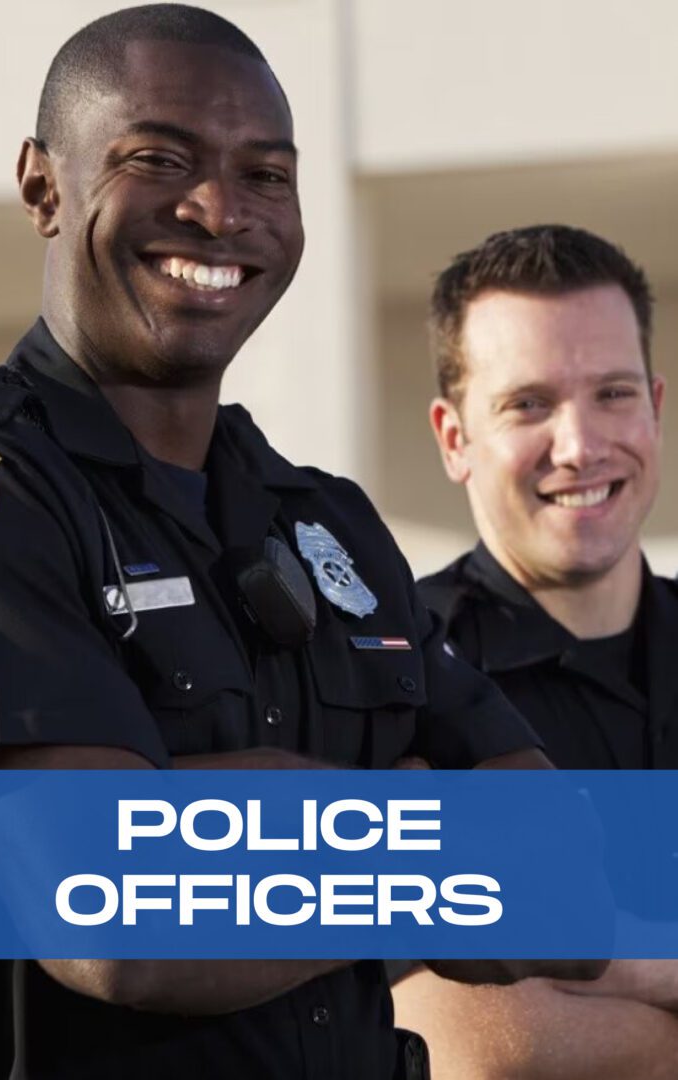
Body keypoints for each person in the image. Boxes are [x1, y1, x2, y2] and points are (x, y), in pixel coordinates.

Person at [0, 12, 602, 1078]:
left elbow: (570, 901)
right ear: (43, 186)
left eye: (265, 175)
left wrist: (236, 823)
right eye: (159, 159)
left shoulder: (329, 525)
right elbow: (122, 923)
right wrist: (422, 821)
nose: (219, 210)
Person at [392, 224, 678, 1078]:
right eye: (529, 404)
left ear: (657, 407)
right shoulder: (384, 678)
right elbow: (468, 1046)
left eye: (614, 394)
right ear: (454, 438)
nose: (582, 446)